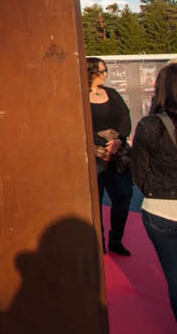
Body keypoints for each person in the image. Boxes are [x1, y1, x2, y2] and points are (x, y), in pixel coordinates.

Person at [131, 63, 177, 322]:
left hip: (160, 210)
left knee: (174, 275)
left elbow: (139, 172)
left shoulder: (149, 125)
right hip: (161, 205)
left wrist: (154, 189)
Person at [87, 57, 134, 256]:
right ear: (90, 72)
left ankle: (116, 240)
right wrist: (97, 144)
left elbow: (125, 118)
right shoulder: (79, 97)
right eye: (102, 71)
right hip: (93, 158)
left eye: (105, 70)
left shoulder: (112, 93)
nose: (106, 74)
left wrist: (119, 140)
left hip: (117, 157)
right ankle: (100, 243)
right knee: (94, 204)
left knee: (123, 196)